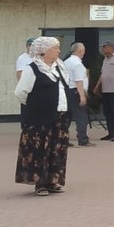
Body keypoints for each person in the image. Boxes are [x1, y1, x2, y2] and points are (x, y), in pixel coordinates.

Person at [14, 36, 72, 196]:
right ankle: (40, 183)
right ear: (44, 51)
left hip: (60, 115)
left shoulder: (60, 67)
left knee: (57, 148)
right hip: (40, 118)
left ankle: (53, 180)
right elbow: (20, 92)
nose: (59, 51)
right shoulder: (33, 69)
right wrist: (36, 106)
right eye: (55, 48)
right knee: (40, 149)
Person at [93, 41, 114, 142]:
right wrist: (97, 86)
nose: (102, 50)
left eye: (104, 47)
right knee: (107, 112)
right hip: (106, 90)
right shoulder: (105, 59)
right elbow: (103, 74)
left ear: (110, 47)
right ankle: (110, 133)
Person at [64, 42, 93, 147]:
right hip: (76, 91)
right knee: (81, 116)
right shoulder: (78, 64)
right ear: (80, 51)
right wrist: (82, 96)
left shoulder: (66, 62)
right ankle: (82, 139)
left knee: (66, 116)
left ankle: (63, 138)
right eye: (83, 50)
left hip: (67, 91)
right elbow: (79, 81)